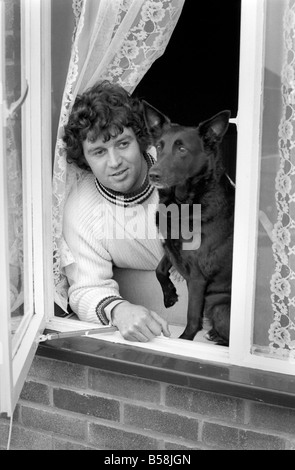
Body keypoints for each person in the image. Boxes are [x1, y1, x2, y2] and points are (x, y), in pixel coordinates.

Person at [62, 80, 171, 342]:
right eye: (99, 151)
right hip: (156, 331)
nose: (115, 162)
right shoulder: (81, 207)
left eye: (123, 144)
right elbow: (86, 288)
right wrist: (118, 310)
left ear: (142, 140)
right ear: (84, 158)